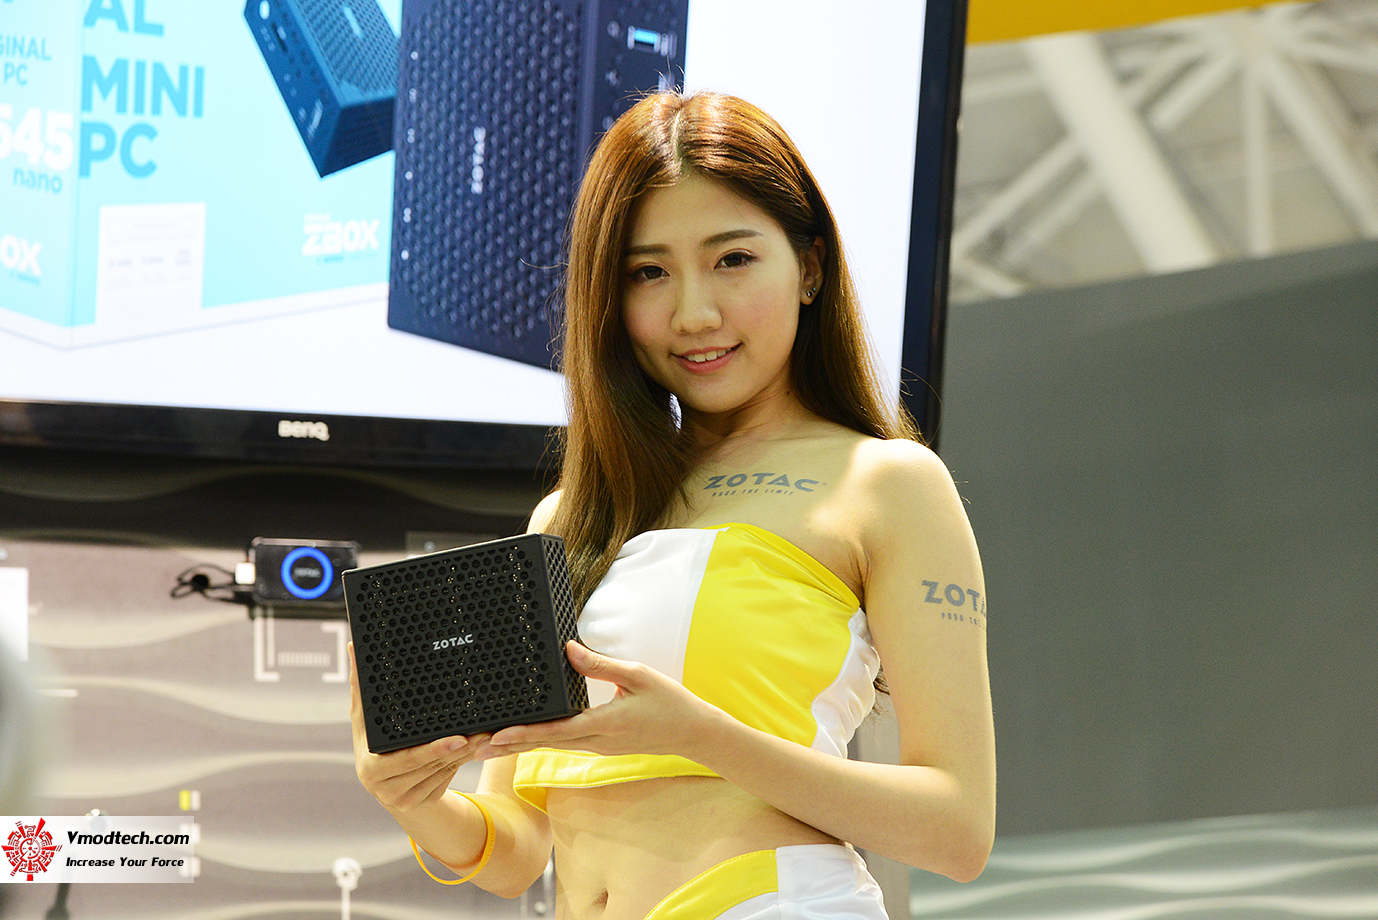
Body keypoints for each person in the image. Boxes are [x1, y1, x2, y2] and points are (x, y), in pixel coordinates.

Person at [350, 90, 995, 919]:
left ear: (809, 268)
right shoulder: (570, 519)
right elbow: (516, 851)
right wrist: (412, 797)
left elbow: (957, 829)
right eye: (648, 273)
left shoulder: (885, 483)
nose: (694, 313)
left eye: (733, 259)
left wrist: (699, 736)